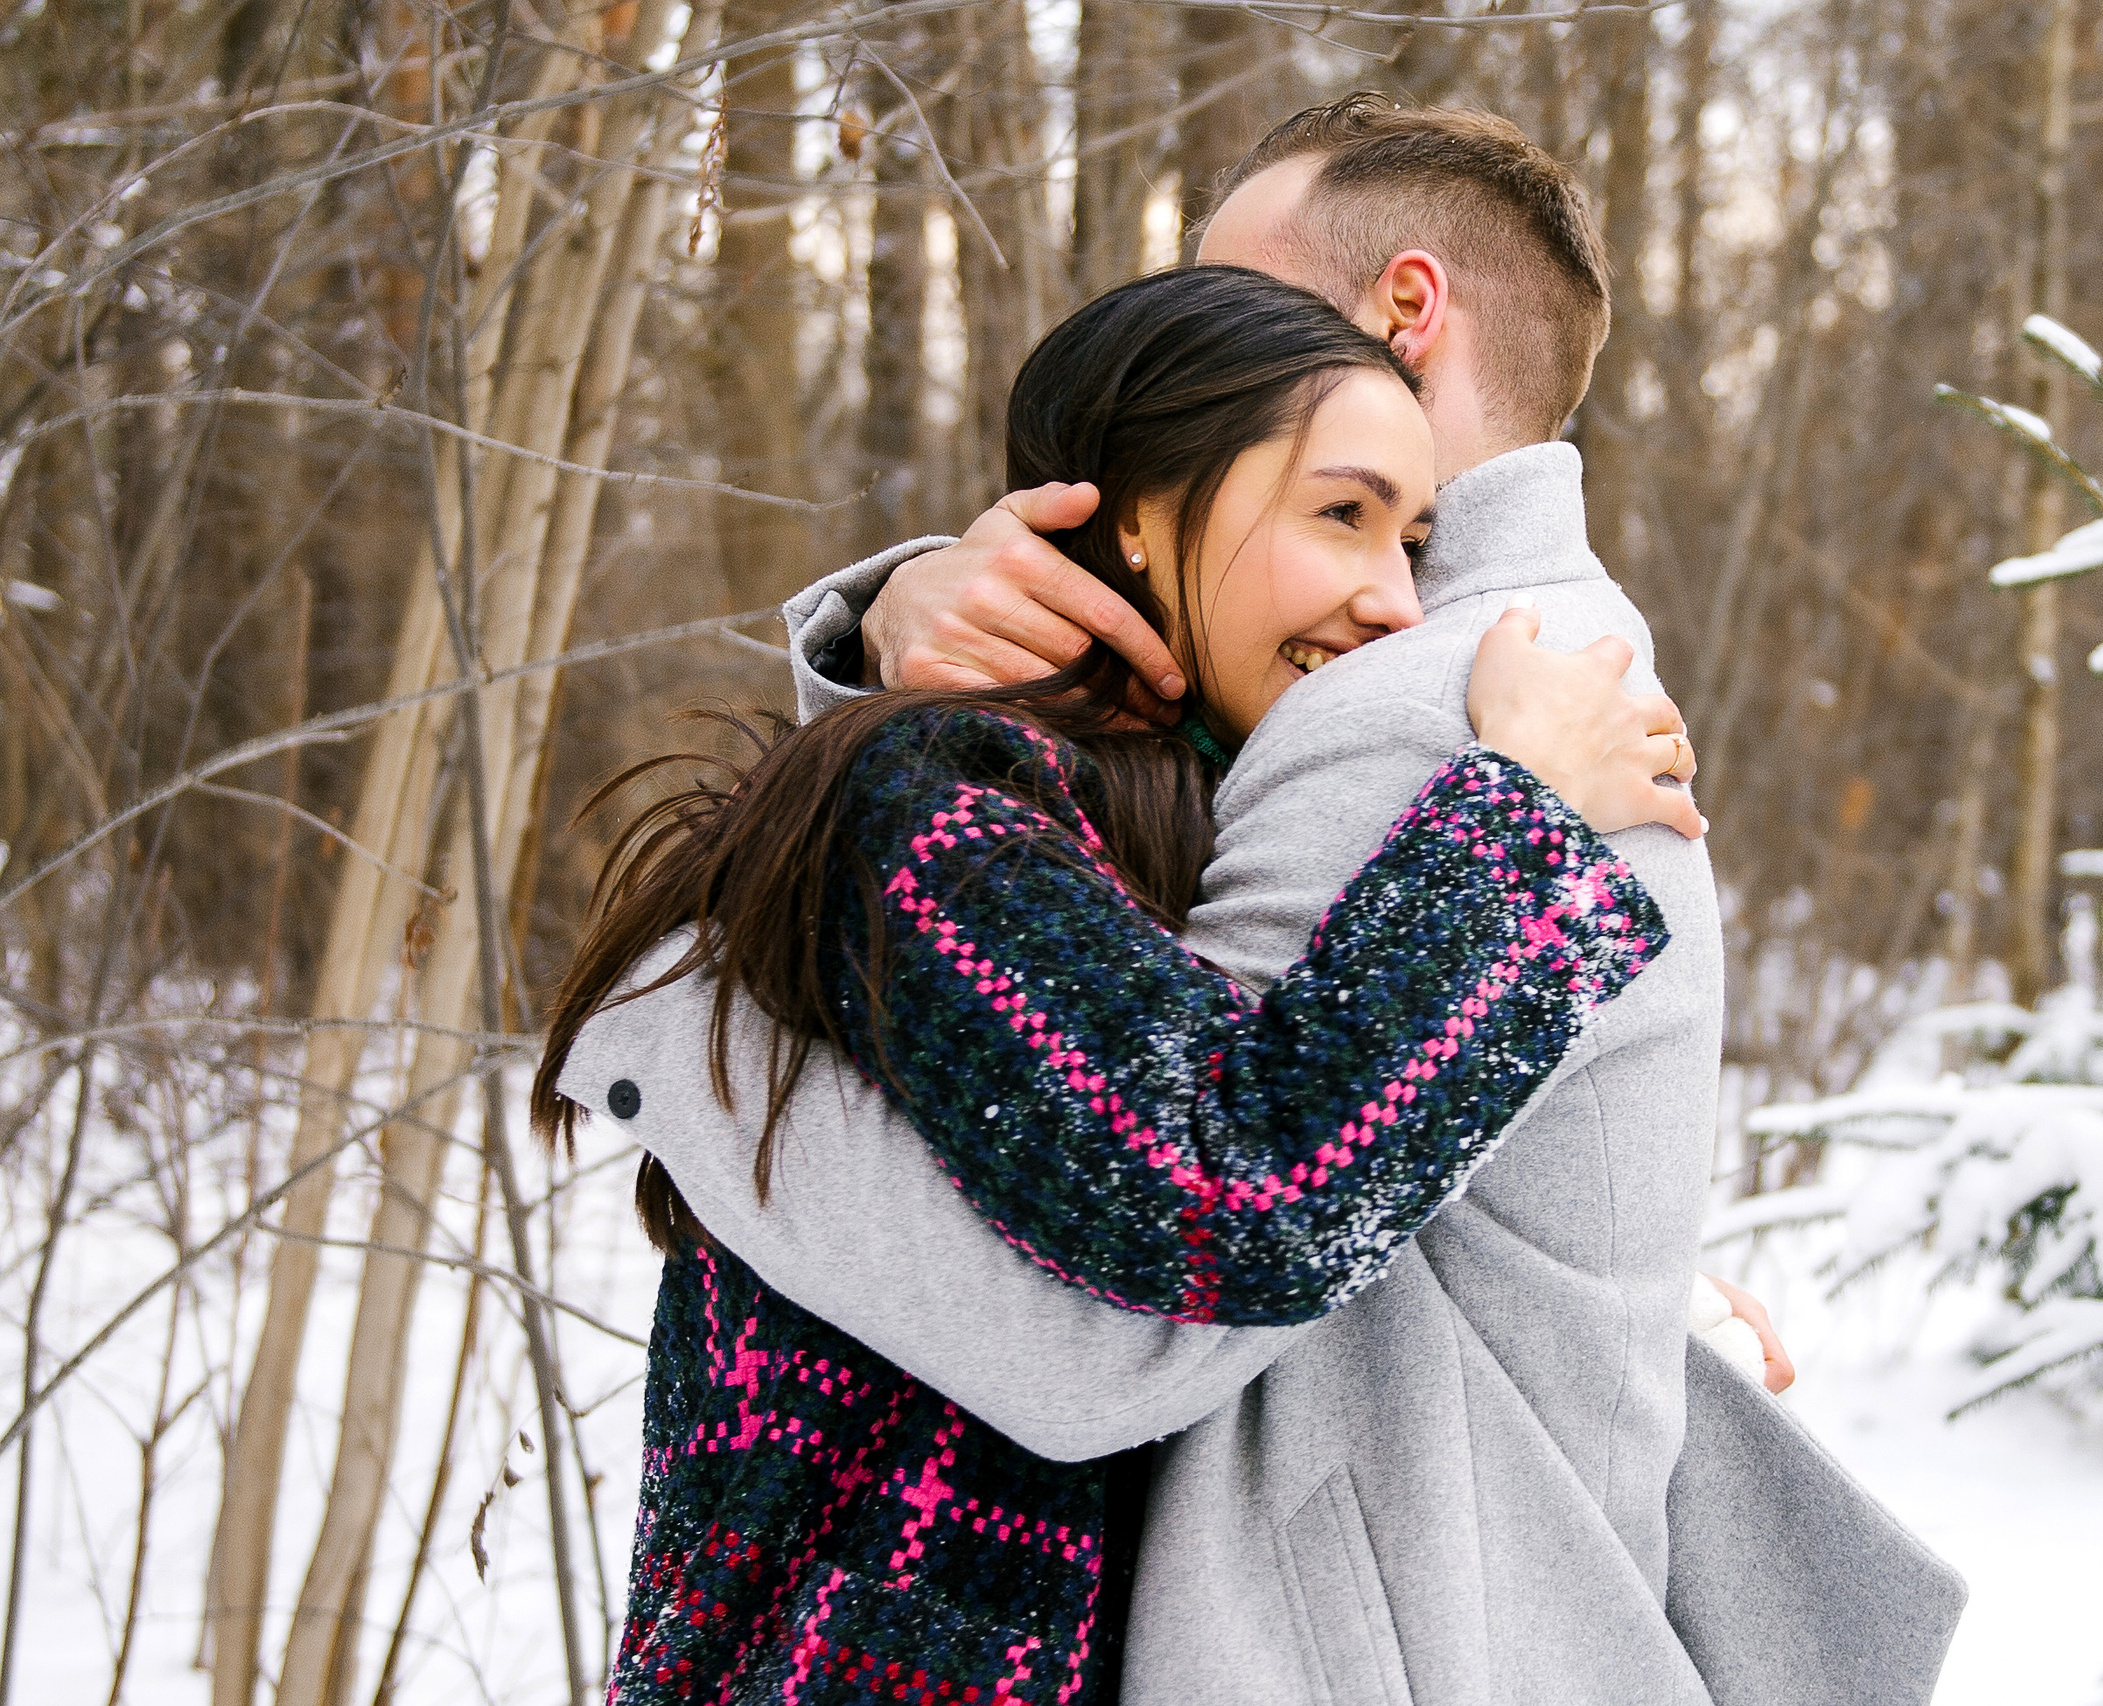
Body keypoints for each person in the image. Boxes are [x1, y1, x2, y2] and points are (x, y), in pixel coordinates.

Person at [601, 97, 1963, 1704]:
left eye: (1235, 285)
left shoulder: (1423, 697)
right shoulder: (1474, 667)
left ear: (1403, 315)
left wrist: (695, 1053)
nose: (1197, 328)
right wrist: (901, 645)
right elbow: (1108, 1059)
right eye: (1342, 515)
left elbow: (1157, 1263)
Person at [536, 265, 1700, 1704]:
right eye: (1340, 513)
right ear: (1137, 516)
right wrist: (1521, 821)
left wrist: (1625, 1272)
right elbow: (1226, 1192)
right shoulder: (931, 798)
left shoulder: (1152, 817)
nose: (1396, 601)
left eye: (1413, 538)